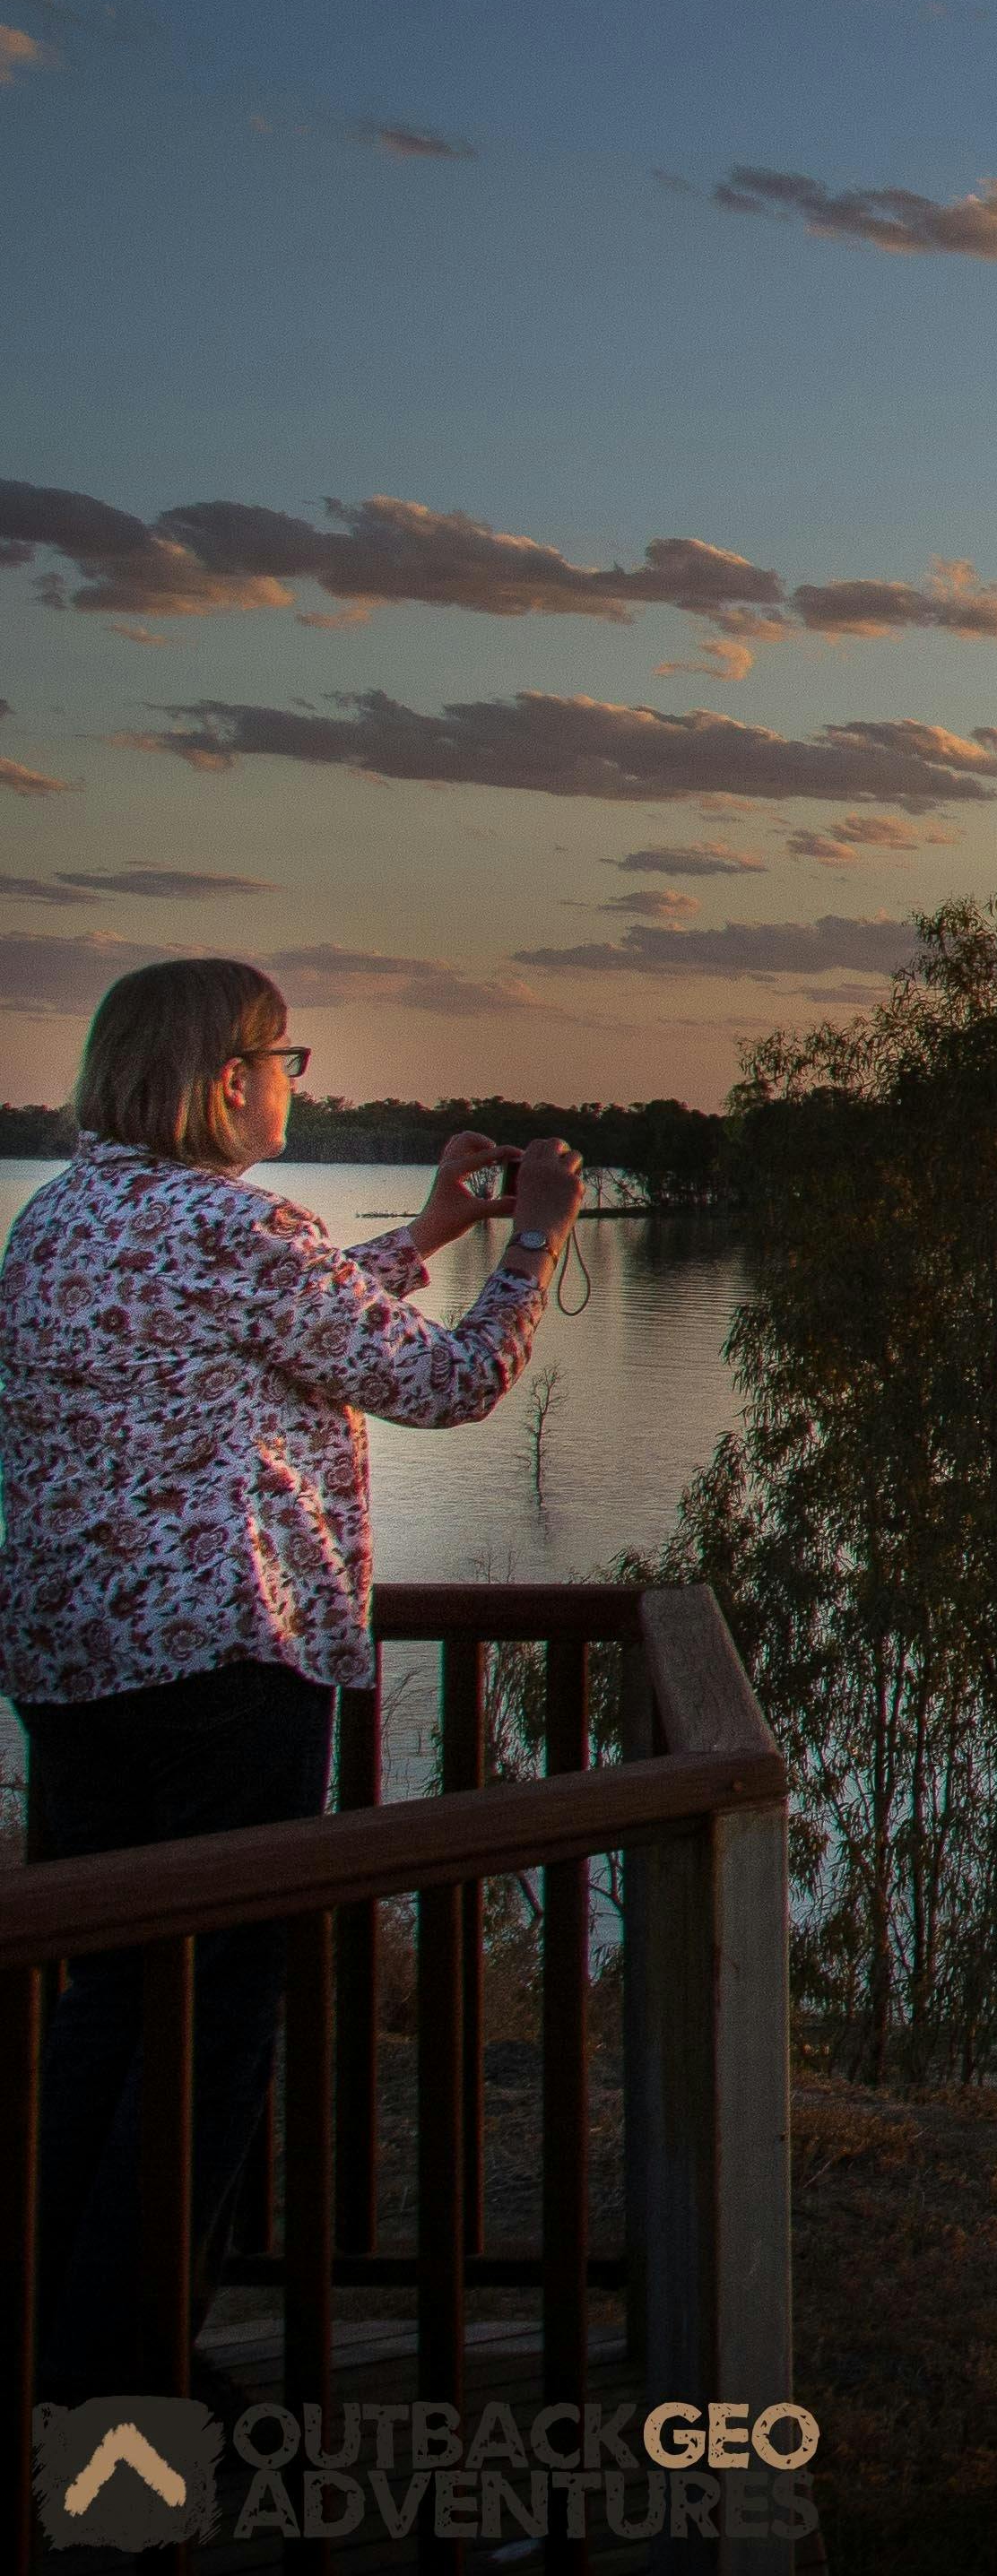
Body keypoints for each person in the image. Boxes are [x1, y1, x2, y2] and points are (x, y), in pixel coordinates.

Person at [0, 957, 577, 2397]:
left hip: (74, 1671)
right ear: (223, 1077)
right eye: (282, 1054)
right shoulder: (232, 1230)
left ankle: (49, 2336)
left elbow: (291, 1321)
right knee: (214, 2020)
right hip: (224, 1661)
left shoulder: (62, 1218)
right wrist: (534, 1246)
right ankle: (123, 2375)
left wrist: (438, 1226)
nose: (292, 1077)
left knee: (111, 1997)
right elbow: (440, 1383)